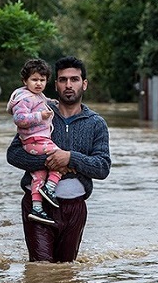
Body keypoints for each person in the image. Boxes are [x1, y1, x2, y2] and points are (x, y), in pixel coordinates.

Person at [7, 56, 111, 262]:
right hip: (37, 206)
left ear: (84, 84)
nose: (68, 85)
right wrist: (51, 161)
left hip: (75, 207)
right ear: (55, 85)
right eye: (63, 80)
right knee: (42, 269)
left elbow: (102, 167)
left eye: (74, 79)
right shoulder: (40, 112)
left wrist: (71, 158)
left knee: (66, 270)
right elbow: (13, 154)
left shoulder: (96, 123)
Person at [6, 58, 62, 225]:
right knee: (60, 159)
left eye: (42, 80)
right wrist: (40, 116)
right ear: (25, 80)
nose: (38, 83)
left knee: (38, 174)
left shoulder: (37, 96)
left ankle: (37, 209)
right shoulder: (24, 98)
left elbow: (42, 102)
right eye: (34, 79)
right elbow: (19, 118)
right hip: (35, 140)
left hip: (34, 142)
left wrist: (51, 103)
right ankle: (50, 188)